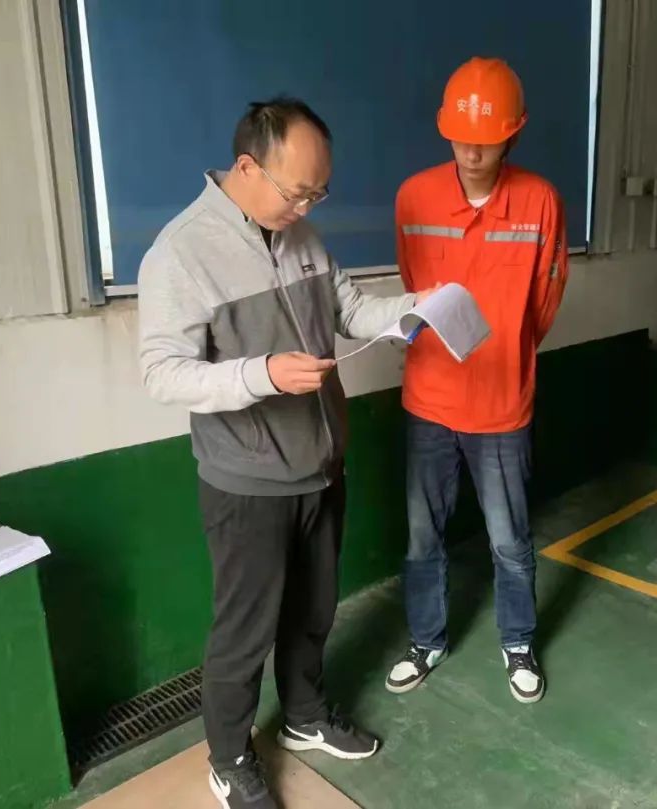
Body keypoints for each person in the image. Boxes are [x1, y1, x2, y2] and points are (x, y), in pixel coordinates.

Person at [138, 97, 436, 809]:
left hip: (321, 465)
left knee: (313, 610)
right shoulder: (181, 253)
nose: (306, 207)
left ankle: (304, 716)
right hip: (247, 483)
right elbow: (162, 373)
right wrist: (262, 374)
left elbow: (349, 309)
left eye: (317, 193)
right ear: (247, 167)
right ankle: (230, 756)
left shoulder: (299, 234)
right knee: (243, 632)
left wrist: (417, 306)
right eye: (297, 191)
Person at [384, 57, 569, 704]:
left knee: (510, 540)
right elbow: (414, 285)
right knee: (422, 535)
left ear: (513, 134)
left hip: (502, 407)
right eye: (460, 138)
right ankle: (426, 639)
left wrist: (507, 353)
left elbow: (545, 299)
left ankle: (518, 641)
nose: (470, 151)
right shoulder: (414, 197)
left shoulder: (540, 202)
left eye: (485, 141)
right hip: (429, 402)